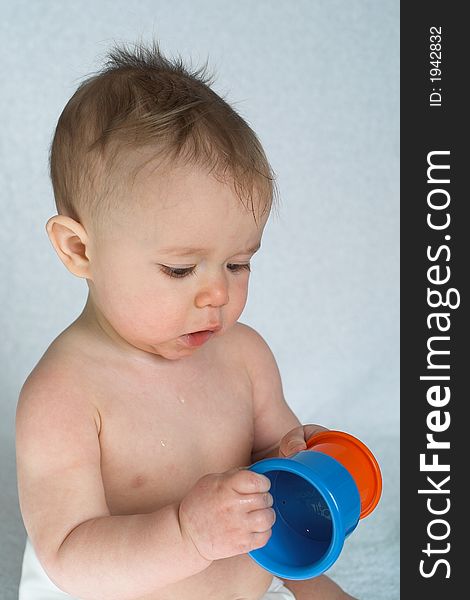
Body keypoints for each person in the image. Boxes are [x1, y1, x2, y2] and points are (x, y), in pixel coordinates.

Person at [16, 41, 357, 600]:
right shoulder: (63, 397)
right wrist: (185, 533)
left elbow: (276, 478)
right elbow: (70, 557)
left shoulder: (245, 357)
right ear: (80, 250)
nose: (218, 293)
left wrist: (306, 459)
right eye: (179, 269)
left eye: (238, 263)